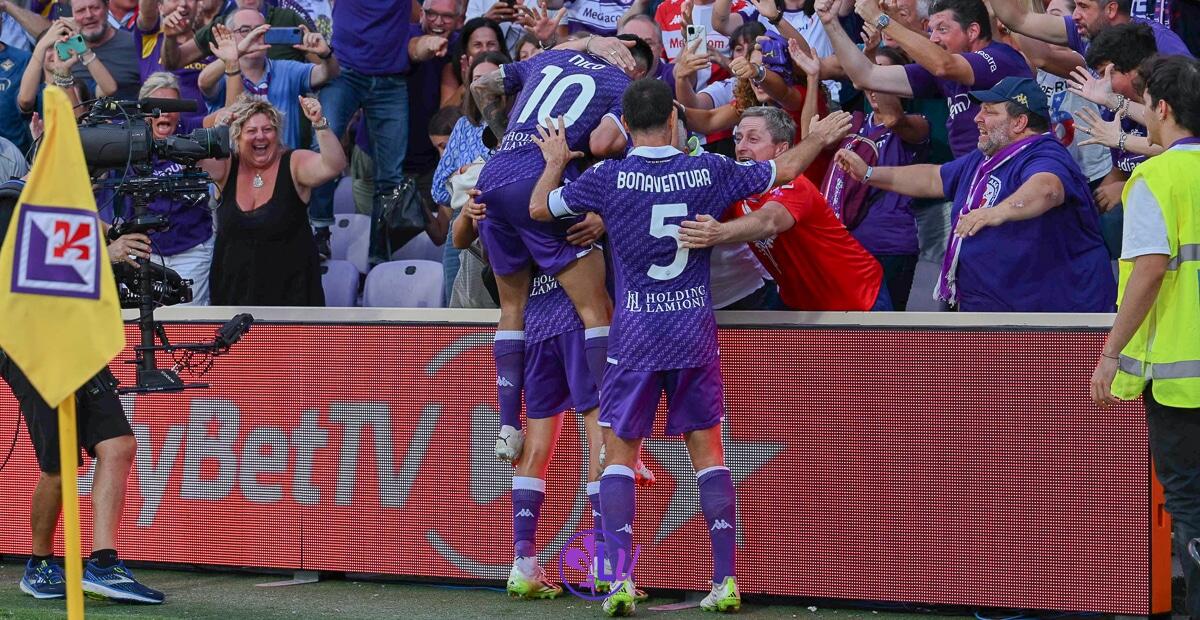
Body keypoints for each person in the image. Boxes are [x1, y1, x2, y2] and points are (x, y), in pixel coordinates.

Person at [527, 79, 849, 615]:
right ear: (675, 122)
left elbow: (540, 208)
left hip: (633, 337)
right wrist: (816, 138)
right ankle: (724, 582)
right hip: (692, 333)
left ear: (626, 126)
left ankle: (620, 581)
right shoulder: (709, 170)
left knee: (619, 458)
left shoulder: (607, 176)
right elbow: (787, 170)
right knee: (709, 455)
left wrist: (556, 160)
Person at [468, 34, 646, 460]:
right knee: (596, 310)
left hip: (493, 178)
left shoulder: (552, 58)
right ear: (633, 66)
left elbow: (481, 86)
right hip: (542, 181)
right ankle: (611, 428)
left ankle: (508, 424)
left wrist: (508, 138)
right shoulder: (625, 87)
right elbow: (607, 144)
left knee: (512, 308)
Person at [0, 177, 164, 604]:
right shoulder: (8, 202)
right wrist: (101, 255)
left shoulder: (60, 196)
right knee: (60, 465)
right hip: (26, 342)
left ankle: (104, 564)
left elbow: (79, 237)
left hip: (73, 334)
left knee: (119, 444)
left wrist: (116, 241)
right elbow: (24, 273)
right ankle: (39, 564)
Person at [836, 76, 1115, 312]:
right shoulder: (984, 158)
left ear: (1019, 123)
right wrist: (870, 174)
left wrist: (997, 212)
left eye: (990, 111)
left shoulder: (1044, 153)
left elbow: (1047, 189)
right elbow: (934, 178)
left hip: (1049, 317)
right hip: (993, 309)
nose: (977, 118)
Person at [1090, 54, 1200, 620]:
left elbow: (1151, 269)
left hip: (1183, 383)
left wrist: (1110, 354)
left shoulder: (1155, 178)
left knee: (1190, 505)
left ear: (1161, 108)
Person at [678, 106, 891, 311]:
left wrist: (718, 233)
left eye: (753, 139)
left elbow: (769, 221)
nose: (741, 147)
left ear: (781, 149)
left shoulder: (795, 185)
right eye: (738, 138)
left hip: (858, 297)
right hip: (801, 304)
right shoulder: (738, 188)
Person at [833, 0, 1032, 159]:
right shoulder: (941, 71)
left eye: (942, 30)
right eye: (931, 31)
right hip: (970, 180)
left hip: (1014, 172)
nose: (934, 38)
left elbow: (943, 65)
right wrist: (830, 22)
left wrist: (881, 19)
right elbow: (866, 76)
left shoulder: (1000, 57)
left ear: (972, 31)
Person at [204, 96, 346, 305]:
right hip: (233, 298)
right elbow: (193, 158)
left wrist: (319, 123)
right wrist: (216, 132)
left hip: (291, 299)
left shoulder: (294, 162)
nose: (260, 136)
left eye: (267, 129)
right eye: (251, 131)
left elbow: (334, 165)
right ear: (237, 136)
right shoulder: (226, 166)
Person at [118, 72, 216, 304]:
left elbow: (227, 118)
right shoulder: (127, 138)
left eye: (171, 104)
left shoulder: (191, 130)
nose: (164, 112)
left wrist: (232, 67)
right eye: (156, 105)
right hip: (142, 251)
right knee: (140, 321)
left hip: (190, 249)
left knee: (187, 324)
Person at [199, 11, 338, 149]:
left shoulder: (287, 69)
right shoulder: (222, 74)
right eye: (245, 30)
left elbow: (328, 73)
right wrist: (238, 52)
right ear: (230, 36)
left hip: (285, 164)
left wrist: (326, 54)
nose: (254, 36)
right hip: (236, 166)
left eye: (260, 30)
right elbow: (203, 82)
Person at [988, 0, 1191, 57]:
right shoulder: (1084, 33)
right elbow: (1017, 19)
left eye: (1083, 7)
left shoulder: (1160, 41)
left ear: (1111, 9)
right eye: (1075, 5)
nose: (1075, 15)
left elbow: (1190, 101)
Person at [66, 0, 142, 99]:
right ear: (72, 15)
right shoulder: (64, 50)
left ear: (107, 8)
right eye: (80, 11)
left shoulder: (134, 44)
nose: (89, 15)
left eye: (95, 8)